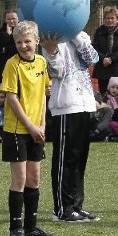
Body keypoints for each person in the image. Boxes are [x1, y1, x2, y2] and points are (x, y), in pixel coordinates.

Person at [2, 20, 55, 236]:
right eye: (19, 42)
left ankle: (31, 226)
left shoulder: (42, 62)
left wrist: (41, 124)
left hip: (36, 130)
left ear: (37, 41)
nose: (24, 46)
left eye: (27, 41)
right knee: (20, 178)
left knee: (34, 178)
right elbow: (11, 98)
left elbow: (44, 93)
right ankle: (15, 228)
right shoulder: (12, 65)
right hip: (16, 130)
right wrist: (31, 126)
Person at [40, 30, 100, 223]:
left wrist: (76, 36)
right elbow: (56, 72)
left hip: (85, 103)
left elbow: (92, 58)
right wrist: (52, 51)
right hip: (65, 105)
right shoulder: (50, 38)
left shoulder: (80, 36)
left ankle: (76, 205)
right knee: (65, 159)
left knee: (79, 158)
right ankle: (62, 208)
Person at [91, 6, 118, 94]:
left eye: (112, 18)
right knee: (104, 98)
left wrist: (111, 59)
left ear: (117, 19)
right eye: (107, 18)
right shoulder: (99, 31)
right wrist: (103, 58)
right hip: (103, 71)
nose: (110, 20)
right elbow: (94, 48)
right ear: (104, 19)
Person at [0, 9, 18, 88]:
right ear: (5, 20)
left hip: (17, 65)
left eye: (13, 18)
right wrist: (7, 35)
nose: (11, 21)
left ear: (18, 19)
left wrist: (4, 49)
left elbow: (16, 49)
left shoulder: (21, 32)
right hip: (1, 66)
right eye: (9, 19)